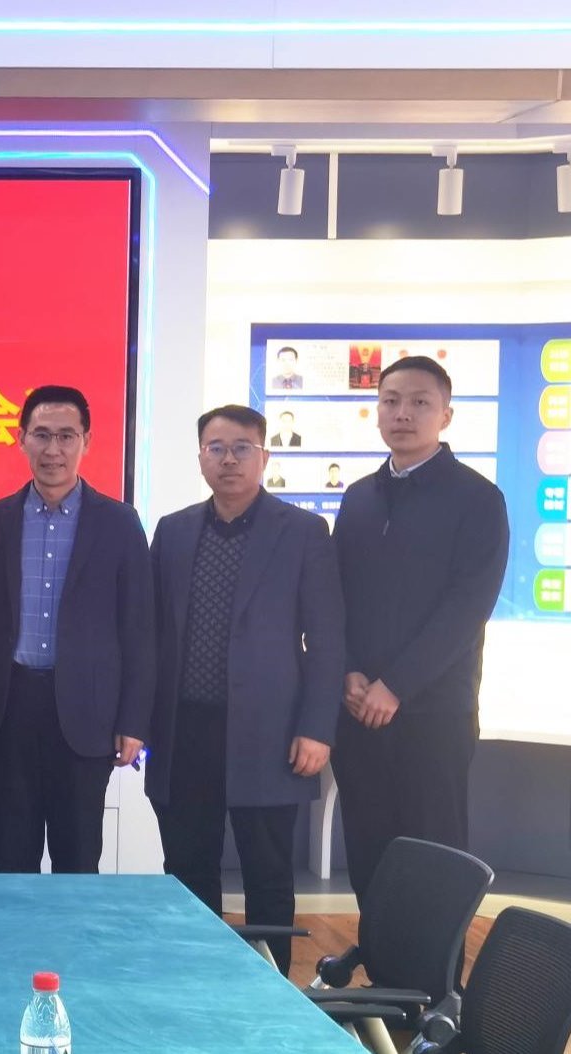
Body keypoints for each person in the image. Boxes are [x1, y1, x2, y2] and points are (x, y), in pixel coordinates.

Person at [148, 406, 343, 972]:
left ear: (264, 456)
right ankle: (195, 978)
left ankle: (271, 993)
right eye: (216, 448)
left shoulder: (303, 532)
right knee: (186, 869)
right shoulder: (174, 531)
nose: (228, 459)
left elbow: (327, 639)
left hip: (270, 733)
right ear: (200, 457)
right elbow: (152, 632)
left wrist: (316, 727)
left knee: (268, 873)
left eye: (241, 448)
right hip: (185, 730)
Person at [333, 356, 507, 905]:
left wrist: (396, 686)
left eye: (419, 402)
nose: (403, 413)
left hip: (434, 713)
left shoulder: (478, 499)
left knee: (435, 857)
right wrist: (348, 672)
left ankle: (436, 966)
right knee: (368, 849)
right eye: (391, 401)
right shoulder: (358, 497)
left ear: (446, 416)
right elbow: (336, 596)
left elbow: (466, 608)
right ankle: (379, 960)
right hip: (357, 709)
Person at [0, 385, 154, 874]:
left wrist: (134, 721)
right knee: (11, 859)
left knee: (78, 861)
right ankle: (17, 930)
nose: (53, 449)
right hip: (7, 712)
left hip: (87, 715)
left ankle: (72, 932)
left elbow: (139, 629)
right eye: (42, 435)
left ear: (86, 442)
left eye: (66, 436)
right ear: (22, 439)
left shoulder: (119, 523)